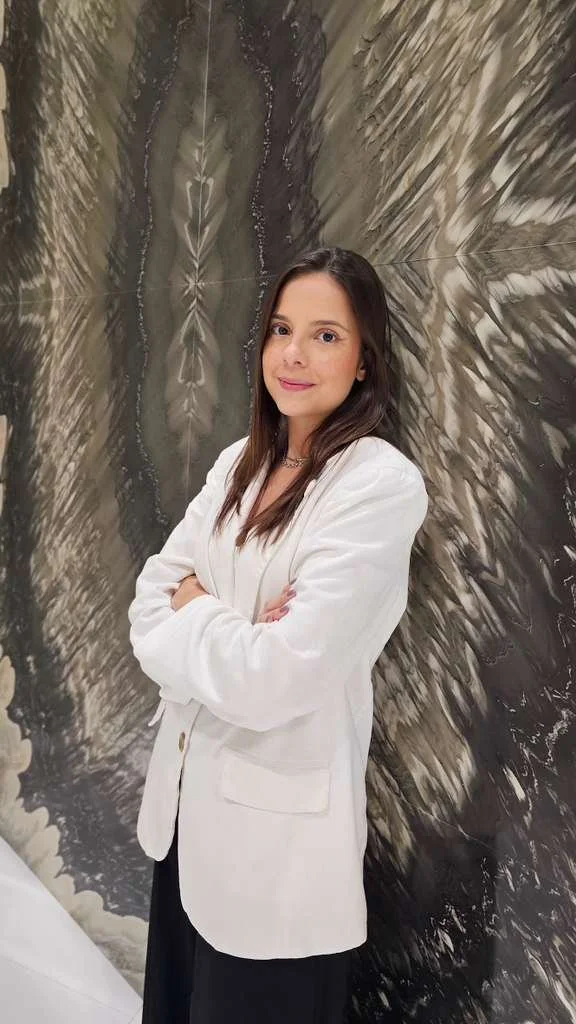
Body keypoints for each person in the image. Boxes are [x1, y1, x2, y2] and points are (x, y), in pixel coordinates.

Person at [127, 246, 429, 1023]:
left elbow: (274, 680)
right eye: (282, 329)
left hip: (276, 859)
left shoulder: (377, 485)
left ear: (365, 361)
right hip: (185, 821)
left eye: (326, 336)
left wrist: (197, 603)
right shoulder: (240, 463)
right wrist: (228, 624)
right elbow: (147, 607)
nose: (293, 355)